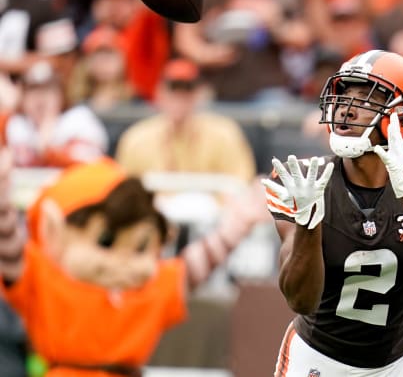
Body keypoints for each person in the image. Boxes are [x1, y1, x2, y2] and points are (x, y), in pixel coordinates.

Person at [262, 50, 403, 376]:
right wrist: (308, 225)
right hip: (321, 361)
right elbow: (300, 300)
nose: (347, 109)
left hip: (400, 362)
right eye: (344, 95)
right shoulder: (305, 181)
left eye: (366, 98)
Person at [0, 156, 268, 376]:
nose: (123, 259)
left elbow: (192, 270)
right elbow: (9, 247)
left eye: (140, 246)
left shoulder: (147, 288)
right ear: (53, 229)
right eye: (106, 241)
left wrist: (237, 225)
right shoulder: (43, 277)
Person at [115, 58, 256, 182]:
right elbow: (126, 189)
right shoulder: (137, 138)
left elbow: (241, 182)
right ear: (159, 93)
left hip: (211, 210)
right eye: (173, 91)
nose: (179, 100)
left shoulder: (224, 134)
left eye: (187, 92)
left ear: (200, 95)